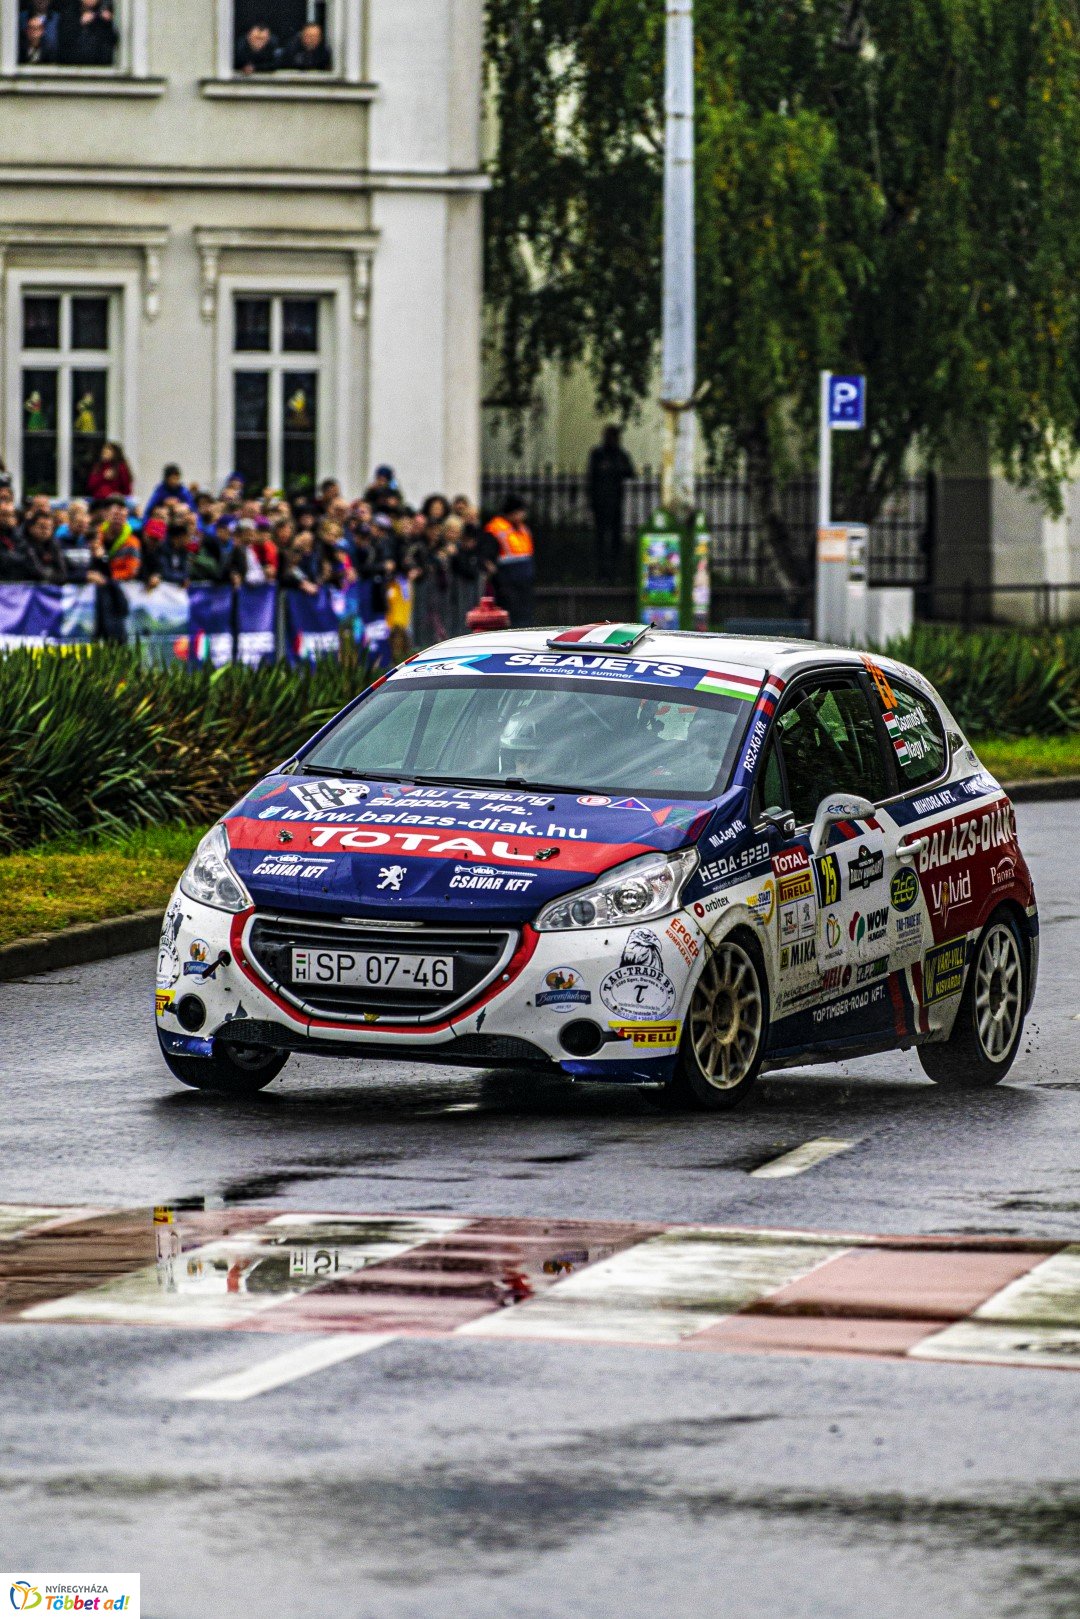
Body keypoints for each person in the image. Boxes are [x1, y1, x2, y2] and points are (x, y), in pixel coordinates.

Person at [587, 423, 636, 578]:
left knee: (616, 538)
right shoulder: (597, 454)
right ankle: (602, 571)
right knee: (601, 538)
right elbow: (592, 477)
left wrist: (614, 468)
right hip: (600, 502)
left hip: (615, 501)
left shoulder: (620, 455)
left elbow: (630, 472)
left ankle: (614, 570)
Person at [485, 495, 535, 628]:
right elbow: (489, 555)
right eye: (521, 512)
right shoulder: (496, 528)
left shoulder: (522, 528)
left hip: (523, 582)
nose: (523, 515)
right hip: (506, 582)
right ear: (512, 512)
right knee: (511, 616)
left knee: (524, 615)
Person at [59, 0, 118, 66]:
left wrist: (107, 23)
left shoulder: (102, 17)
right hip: (73, 65)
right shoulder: (70, 13)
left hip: (100, 67)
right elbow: (64, 38)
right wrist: (79, 23)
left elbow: (113, 41)